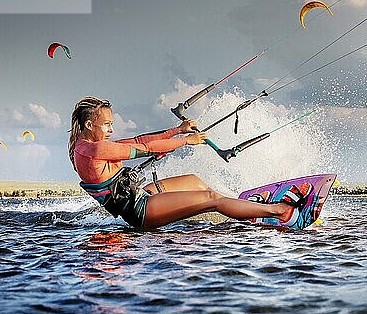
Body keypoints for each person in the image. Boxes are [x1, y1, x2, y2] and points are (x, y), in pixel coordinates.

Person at [68, 96, 318, 230]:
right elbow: (144, 148)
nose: (111, 128)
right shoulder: (96, 149)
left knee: (195, 181)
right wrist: (187, 141)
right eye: (107, 124)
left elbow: (139, 138)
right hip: (140, 210)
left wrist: (176, 130)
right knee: (211, 199)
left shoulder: (85, 145)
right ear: (90, 125)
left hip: (136, 194)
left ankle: (246, 212)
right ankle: (282, 212)